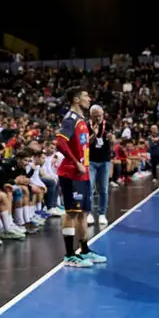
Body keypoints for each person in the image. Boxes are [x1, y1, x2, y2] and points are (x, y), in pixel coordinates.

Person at [55, 88, 104, 267]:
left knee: (84, 212)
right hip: (71, 173)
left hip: (82, 173)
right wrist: (76, 162)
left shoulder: (82, 121)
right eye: (86, 96)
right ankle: (69, 255)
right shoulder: (71, 119)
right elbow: (60, 142)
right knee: (71, 212)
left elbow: (79, 145)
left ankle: (84, 250)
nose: (89, 98)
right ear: (76, 100)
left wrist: (92, 137)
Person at [86, 105, 113, 227]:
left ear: (103, 114)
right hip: (91, 160)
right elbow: (85, 143)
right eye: (95, 116)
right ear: (91, 116)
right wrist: (94, 134)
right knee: (89, 187)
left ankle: (102, 214)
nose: (98, 118)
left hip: (104, 160)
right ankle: (89, 213)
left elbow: (113, 142)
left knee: (103, 188)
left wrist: (111, 139)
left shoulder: (108, 124)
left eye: (100, 115)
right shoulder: (86, 126)